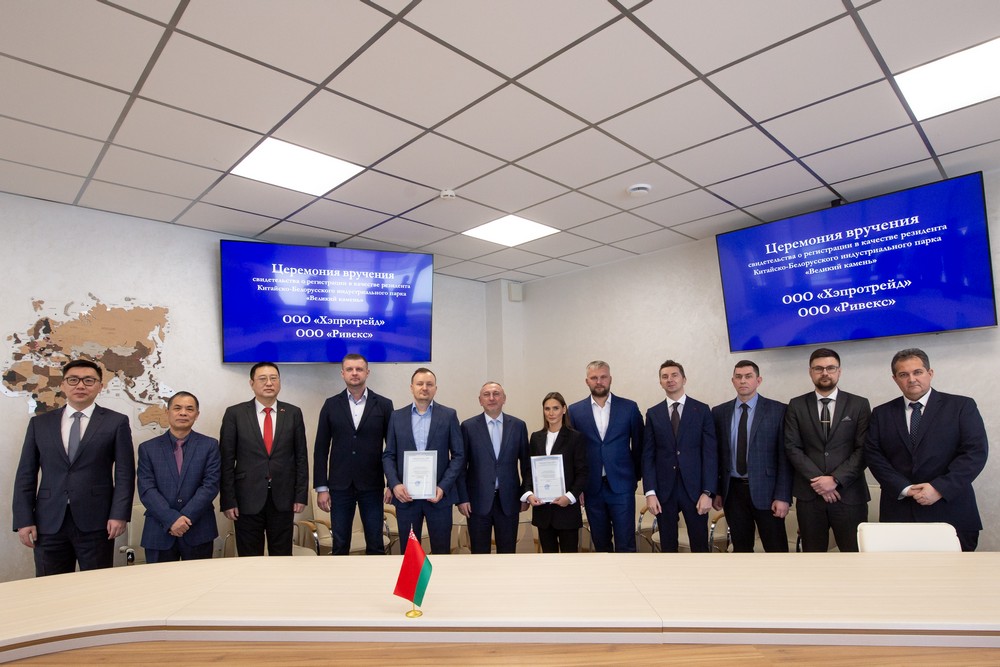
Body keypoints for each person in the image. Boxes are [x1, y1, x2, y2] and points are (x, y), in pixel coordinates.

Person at [12, 358, 135, 576]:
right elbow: (26, 474)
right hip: (48, 521)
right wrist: (24, 519)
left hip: (97, 520)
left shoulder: (116, 422)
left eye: (88, 380)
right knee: (50, 586)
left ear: (100, 386)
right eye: (73, 380)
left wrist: (119, 515)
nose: (80, 385)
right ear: (63, 385)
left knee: (96, 585)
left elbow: (125, 474)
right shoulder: (40, 424)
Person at [865, 348, 988, 552]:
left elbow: (975, 453)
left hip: (951, 511)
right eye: (903, 374)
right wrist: (904, 488)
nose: (911, 379)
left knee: (955, 572)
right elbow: (874, 455)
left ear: (930, 373)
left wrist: (939, 488)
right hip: (899, 513)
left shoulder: (961, 406)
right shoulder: (881, 413)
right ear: (895, 379)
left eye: (918, 372)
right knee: (901, 571)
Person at [784, 348, 870, 552]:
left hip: (849, 494)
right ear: (810, 372)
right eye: (818, 368)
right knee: (813, 557)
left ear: (839, 371)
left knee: (854, 556)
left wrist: (835, 480)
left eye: (830, 368)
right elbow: (792, 446)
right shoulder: (796, 405)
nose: (825, 373)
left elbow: (864, 449)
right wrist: (819, 482)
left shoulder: (859, 404)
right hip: (810, 496)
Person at [220, 362, 309, 556]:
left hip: (283, 497)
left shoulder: (293, 413)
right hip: (246, 498)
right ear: (251, 383)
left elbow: (301, 458)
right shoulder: (235, 414)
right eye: (262, 379)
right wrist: (228, 500)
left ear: (279, 382)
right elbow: (226, 460)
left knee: (282, 556)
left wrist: (300, 495)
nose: (269, 383)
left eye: (273, 378)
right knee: (249, 557)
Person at [313, 354, 393, 555]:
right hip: (339, 486)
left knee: (375, 543)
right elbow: (321, 449)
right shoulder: (331, 405)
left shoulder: (384, 405)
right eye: (349, 369)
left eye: (359, 369)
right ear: (342, 373)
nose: (354, 373)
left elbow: (392, 448)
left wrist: (392, 483)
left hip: (372, 485)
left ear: (367, 372)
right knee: (340, 545)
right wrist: (322, 488)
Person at [383, 368, 464, 555]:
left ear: (436, 388)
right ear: (411, 387)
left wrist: (443, 487)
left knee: (441, 552)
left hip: (438, 496)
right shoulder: (397, 416)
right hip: (406, 496)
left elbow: (459, 455)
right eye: (420, 384)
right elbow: (388, 455)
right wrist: (394, 484)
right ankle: (414, 578)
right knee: (410, 554)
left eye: (429, 384)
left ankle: (439, 577)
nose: (424, 388)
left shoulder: (449, 415)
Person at [712, 360, 791, 552]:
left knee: (776, 550)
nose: (743, 381)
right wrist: (717, 491)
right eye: (738, 377)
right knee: (741, 550)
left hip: (768, 493)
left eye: (748, 376)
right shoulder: (719, 412)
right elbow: (717, 456)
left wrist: (783, 496)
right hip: (733, 493)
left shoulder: (778, 410)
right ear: (732, 381)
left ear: (758, 380)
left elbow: (785, 457)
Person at [567, 360, 643, 553]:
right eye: (594, 378)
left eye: (603, 377)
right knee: (601, 546)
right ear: (587, 381)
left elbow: (640, 446)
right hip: (591, 488)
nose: (599, 381)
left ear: (610, 379)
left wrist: (634, 477)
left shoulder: (629, 407)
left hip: (622, 486)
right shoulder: (575, 411)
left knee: (626, 544)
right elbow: (573, 453)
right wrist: (577, 485)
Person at [641, 361, 717, 552]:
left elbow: (710, 454)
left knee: (700, 546)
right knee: (668, 547)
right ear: (660, 382)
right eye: (665, 376)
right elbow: (648, 456)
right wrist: (650, 493)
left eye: (674, 375)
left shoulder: (702, 410)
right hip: (664, 492)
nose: (670, 379)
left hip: (696, 491)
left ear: (684, 379)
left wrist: (708, 492)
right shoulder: (653, 413)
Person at [136, 391, 220, 562]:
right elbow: (147, 489)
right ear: (167, 412)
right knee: (160, 579)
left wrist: (185, 518)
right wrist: (171, 519)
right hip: (159, 530)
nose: (183, 413)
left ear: (197, 415)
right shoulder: (148, 448)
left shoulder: (210, 445)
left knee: (199, 579)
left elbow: (210, 485)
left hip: (198, 529)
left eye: (189, 409)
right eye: (177, 408)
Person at [457, 382, 530, 554]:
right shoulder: (468, 427)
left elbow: (526, 465)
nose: (491, 398)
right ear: (480, 400)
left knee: (507, 553)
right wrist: (462, 498)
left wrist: (525, 494)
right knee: (479, 554)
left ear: (504, 398)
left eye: (496, 394)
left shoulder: (518, 426)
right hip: (476, 502)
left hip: (509, 501)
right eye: (486, 394)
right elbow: (460, 466)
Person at [525, 392, 589, 553]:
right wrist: (529, 494)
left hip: (567, 510)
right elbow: (529, 470)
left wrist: (570, 497)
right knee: (548, 560)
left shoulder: (575, 437)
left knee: (569, 559)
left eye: (555, 408)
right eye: (547, 409)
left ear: (564, 409)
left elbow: (582, 472)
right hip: (543, 510)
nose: (551, 413)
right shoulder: (536, 437)